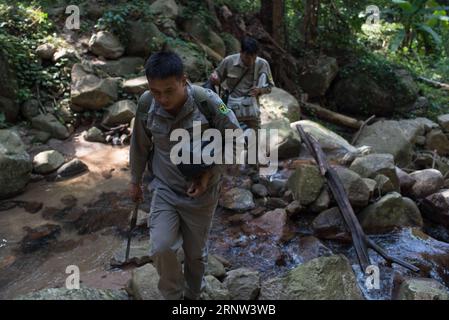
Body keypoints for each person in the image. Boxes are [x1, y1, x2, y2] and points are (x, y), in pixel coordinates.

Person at [129, 50, 241, 300]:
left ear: (184, 80)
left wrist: (211, 173)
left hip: (202, 194)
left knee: (195, 255)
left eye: (169, 90)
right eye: (156, 91)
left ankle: (193, 296)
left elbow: (237, 139)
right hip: (165, 189)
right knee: (161, 247)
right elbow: (139, 145)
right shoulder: (147, 104)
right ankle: (172, 295)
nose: (162, 98)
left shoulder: (209, 102)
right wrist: (135, 181)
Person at [209, 36, 275, 132]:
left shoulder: (262, 64)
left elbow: (269, 87)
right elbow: (217, 77)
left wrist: (260, 90)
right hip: (231, 108)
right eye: (248, 57)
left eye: (254, 57)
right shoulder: (229, 61)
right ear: (241, 53)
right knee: (229, 137)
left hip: (251, 110)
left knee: (255, 137)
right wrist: (215, 79)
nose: (251, 61)